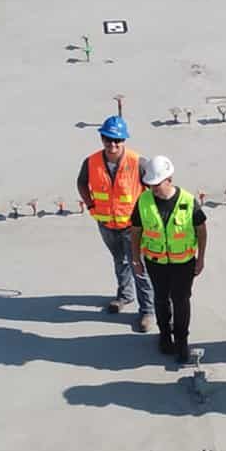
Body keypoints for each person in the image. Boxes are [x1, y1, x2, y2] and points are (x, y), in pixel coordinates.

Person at [76, 114, 154, 332]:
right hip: (106, 225)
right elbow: (81, 183)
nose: (112, 144)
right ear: (102, 138)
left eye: (117, 140)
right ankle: (125, 296)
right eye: (108, 139)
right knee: (119, 261)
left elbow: (154, 186)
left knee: (139, 266)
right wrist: (91, 205)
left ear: (124, 141)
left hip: (133, 228)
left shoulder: (138, 162)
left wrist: (148, 215)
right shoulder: (91, 162)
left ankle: (147, 310)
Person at [129, 156, 206, 362]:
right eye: (151, 184)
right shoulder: (143, 202)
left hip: (184, 263)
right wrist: (136, 260)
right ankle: (165, 336)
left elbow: (201, 230)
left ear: (169, 179)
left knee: (181, 301)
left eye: (158, 184)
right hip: (156, 263)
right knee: (161, 299)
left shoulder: (188, 201)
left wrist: (201, 258)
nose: (154, 188)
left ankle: (182, 341)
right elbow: (136, 231)